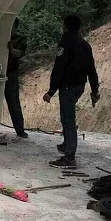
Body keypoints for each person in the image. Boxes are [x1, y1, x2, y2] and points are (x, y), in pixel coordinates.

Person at [43, 14, 100, 168]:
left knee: (68, 120)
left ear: (65, 26)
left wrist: (51, 91)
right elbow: (92, 70)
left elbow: (59, 67)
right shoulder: (85, 45)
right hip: (79, 86)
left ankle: (69, 157)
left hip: (67, 86)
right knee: (66, 117)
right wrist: (95, 90)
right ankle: (66, 145)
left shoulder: (66, 42)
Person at [4, 18, 28, 139]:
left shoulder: (20, 39)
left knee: (13, 102)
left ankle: (20, 130)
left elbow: (20, 53)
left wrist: (11, 50)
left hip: (10, 73)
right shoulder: (0, 35)